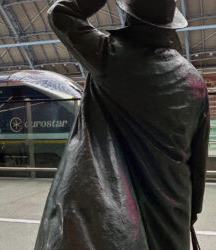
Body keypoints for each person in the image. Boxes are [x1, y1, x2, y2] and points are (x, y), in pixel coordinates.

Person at [35, 0, 210, 249]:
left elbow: (61, 12)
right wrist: (192, 209)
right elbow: (198, 159)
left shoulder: (108, 56)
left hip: (116, 208)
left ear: (129, 17)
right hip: (173, 204)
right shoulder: (195, 81)